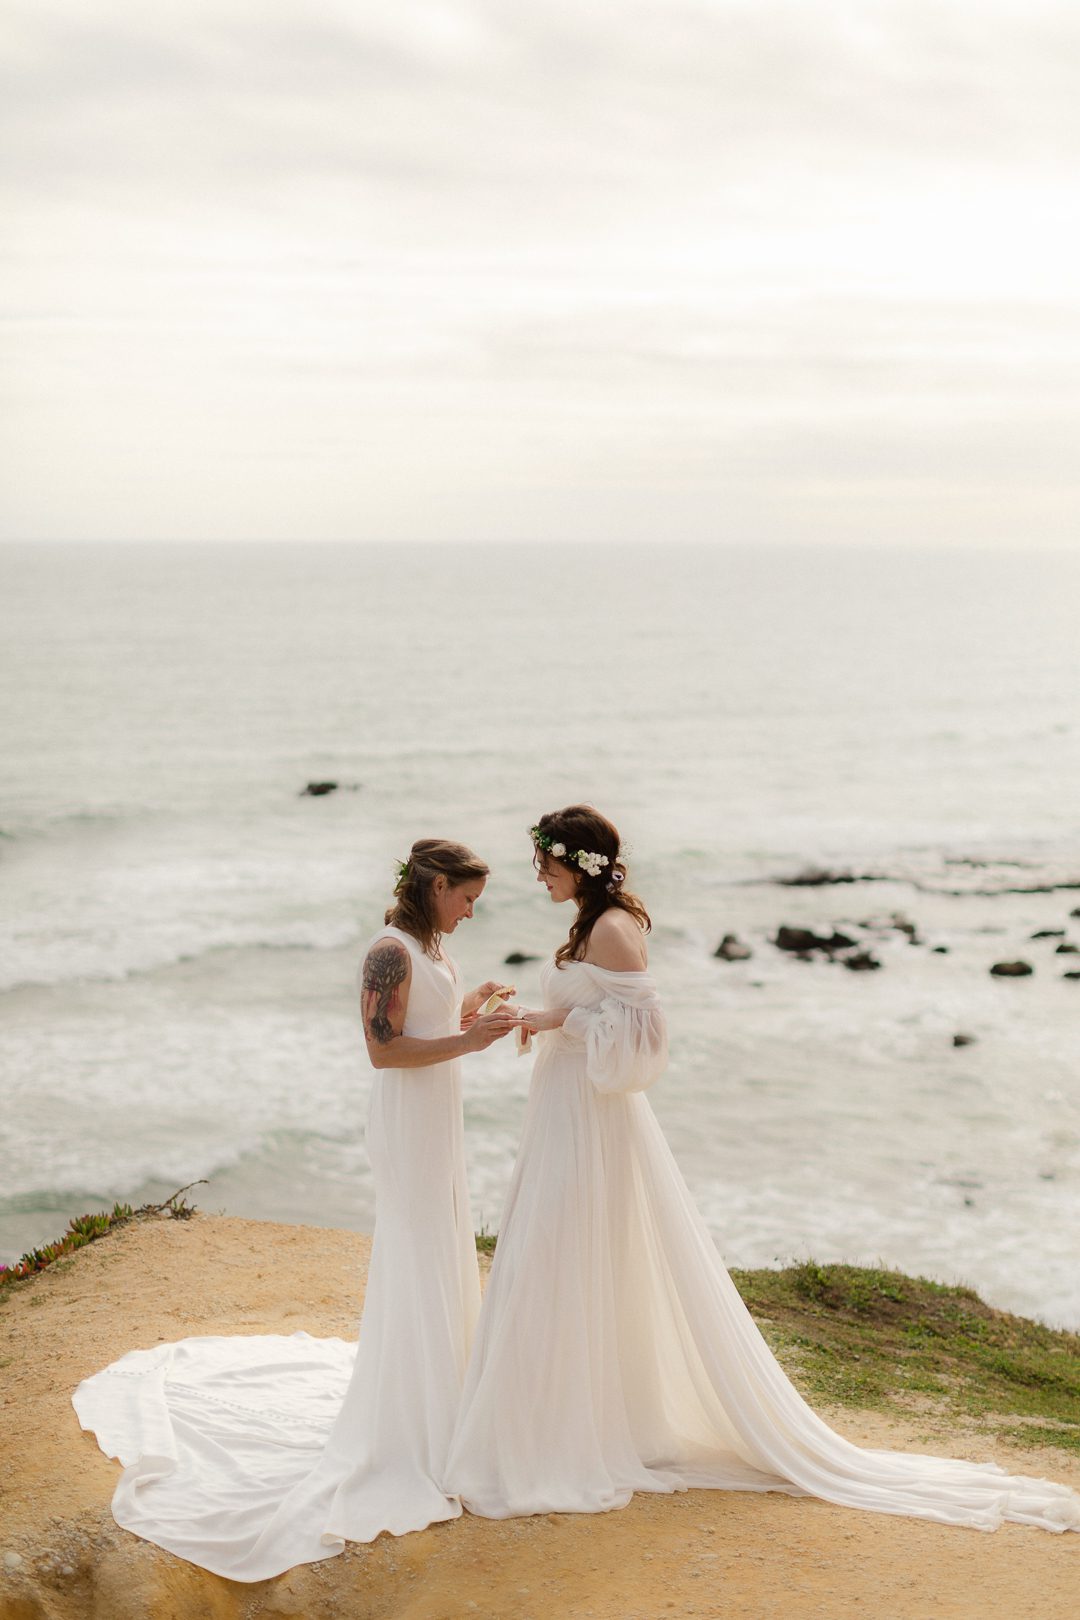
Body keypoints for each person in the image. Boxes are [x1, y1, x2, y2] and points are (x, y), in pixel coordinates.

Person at [443, 805, 1080, 1534]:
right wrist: (530, 1016)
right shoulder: (588, 926)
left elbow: (646, 1045)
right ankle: (547, 1413)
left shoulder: (616, 928)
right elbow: (597, 1017)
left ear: (580, 862)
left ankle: (568, 1428)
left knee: (564, 1249)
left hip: (593, 1119)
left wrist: (559, 1022)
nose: (538, 876)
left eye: (546, 864)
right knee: (548, 1250)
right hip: (563, 1108)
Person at [72, 838, 517, 1581]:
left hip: (440, 1116)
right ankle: (410, 1418)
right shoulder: (389, 951)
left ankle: (439, 1395)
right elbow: (382, 1051)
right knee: (416, 1250)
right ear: (435, 885)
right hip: (409, 1123)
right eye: (466, 896)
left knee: (440, 1246)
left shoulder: (433, 946)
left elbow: (427, 1026)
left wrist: (469, 1009)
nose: (473, 910)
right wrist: (470, 1041)